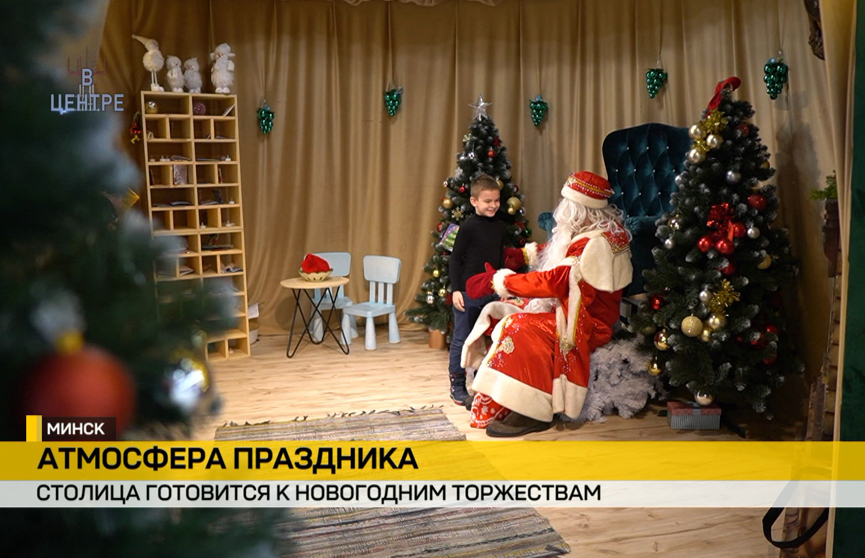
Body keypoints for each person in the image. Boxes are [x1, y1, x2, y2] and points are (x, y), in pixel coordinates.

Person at [462, 171, 633, 437]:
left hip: (588, 323)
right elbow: (560, 253)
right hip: (567, 309)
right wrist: (522, 255)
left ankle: (532, 409)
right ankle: (497, 394)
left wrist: (501, 281)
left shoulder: (596, 244)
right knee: (498, 311)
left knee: (518, 326)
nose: (562, 212)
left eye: (568, 206)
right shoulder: (594, 232)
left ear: (581, 209)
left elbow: (556, 281)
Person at [446, 174, 508, 406]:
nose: (493, 205)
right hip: (468, 294)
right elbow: (455, 260)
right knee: (462, 337)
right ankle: (457, 384)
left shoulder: (500, 226)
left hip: (491, 292)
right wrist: (456, 290)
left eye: (496, 200)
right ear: (474, 201)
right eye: (487, 201)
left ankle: (485, 382)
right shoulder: (468, 227)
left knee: (491, 336)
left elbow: (500, 258)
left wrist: (502, 286)